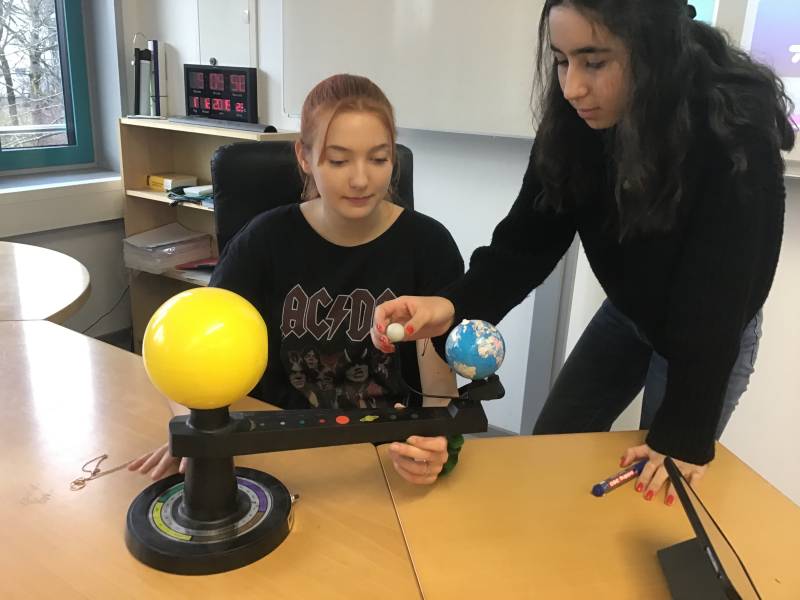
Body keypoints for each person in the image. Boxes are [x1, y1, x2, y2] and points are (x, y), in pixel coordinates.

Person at [372, 0, 795, 505]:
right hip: (629, 312)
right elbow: (527, 241)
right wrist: (453, 304)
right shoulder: (574, 122)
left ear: (652, 51)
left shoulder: (733, 128)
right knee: (554, 444)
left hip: (710, 330)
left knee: (662, 481)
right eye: (560, 60)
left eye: (594, 62)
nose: (572, 87)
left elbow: (720, 299)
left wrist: (683, 434)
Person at [130, 74, 464, 485]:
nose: (361, 179)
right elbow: (193, 346)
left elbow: (440, 391)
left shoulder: (430, 245)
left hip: (382, 456)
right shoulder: (263, 241)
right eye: (339, 161)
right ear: (305, 157)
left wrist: (437, 444)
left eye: (378, 159)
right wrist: (195, 429)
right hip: (276, 444)